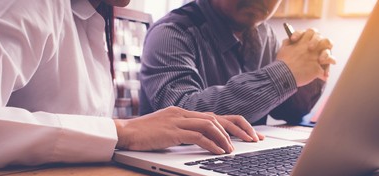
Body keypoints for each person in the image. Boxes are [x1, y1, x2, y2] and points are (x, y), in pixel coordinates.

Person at [0, 0, 264, 169]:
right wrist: (122, 131)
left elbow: (84, 121)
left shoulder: (94, 16)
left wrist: (148, 128)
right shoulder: (24, 5)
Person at [139, 0, 337, 125]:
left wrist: (311, 68)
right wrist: (285, 74)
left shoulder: (265, 34)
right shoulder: (171, 33)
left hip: (243, 161)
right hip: (172, 173)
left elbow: (290, 112)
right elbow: (184, 118)